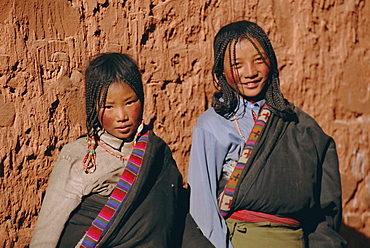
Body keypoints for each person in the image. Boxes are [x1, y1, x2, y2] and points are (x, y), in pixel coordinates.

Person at [188, 21, 347, 248]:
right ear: (220, 71)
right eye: (236, 64)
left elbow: (325, 209)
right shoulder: (212, 125)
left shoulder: (300, 126)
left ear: (271, 62)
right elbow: (203, 209)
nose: (250, 72)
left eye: (259, 60)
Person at [30, 52, 206, 248]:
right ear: (93, 108)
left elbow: (174, 217)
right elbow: (47, 232)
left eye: (130, 102)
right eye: (108, 106)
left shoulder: (155, 153)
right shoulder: (78, 156)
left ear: (141, 99)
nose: (121, 116)